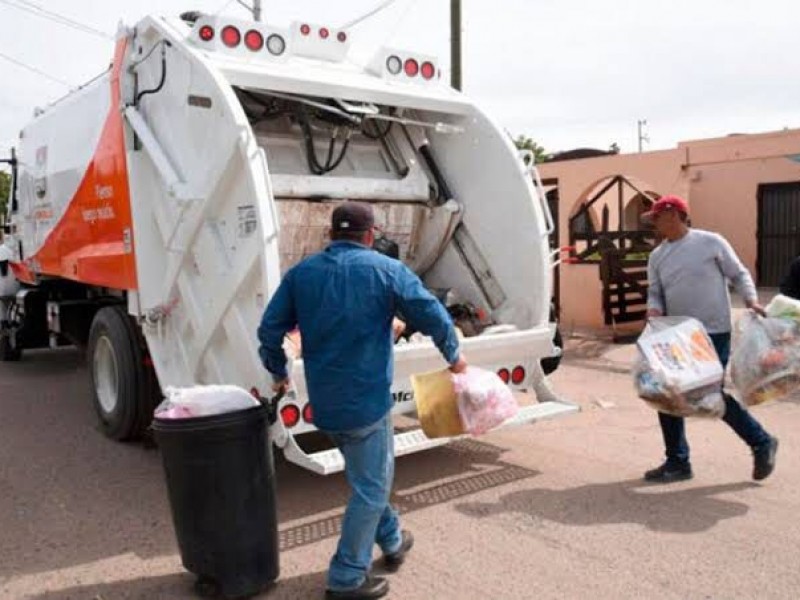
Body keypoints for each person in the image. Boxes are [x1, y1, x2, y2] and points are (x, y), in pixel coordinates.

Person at [258, 202, 467, 600]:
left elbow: (269, 330)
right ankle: (345, 577)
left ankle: (391, 541)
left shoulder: (302, 274)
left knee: (368, 476)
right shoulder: (386, 271)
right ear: (371, 236)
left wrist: (278, 372)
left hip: (325, 404)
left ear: (332, 235)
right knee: (371, 487)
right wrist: (454, 357)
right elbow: (433, 314)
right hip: (366, 404)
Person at [643, 195, 778, 483]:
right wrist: (653, 308)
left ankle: (761, 441)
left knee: (710, 395)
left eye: (657, 217)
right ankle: (677, 461)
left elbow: (739, 274)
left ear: (675, 214)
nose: (654, 223)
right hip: (677, 334)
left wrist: (752, 300)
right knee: (666, 395)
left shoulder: (710, 242)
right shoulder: (657, 256)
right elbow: (655, 290)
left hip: (713, 331)